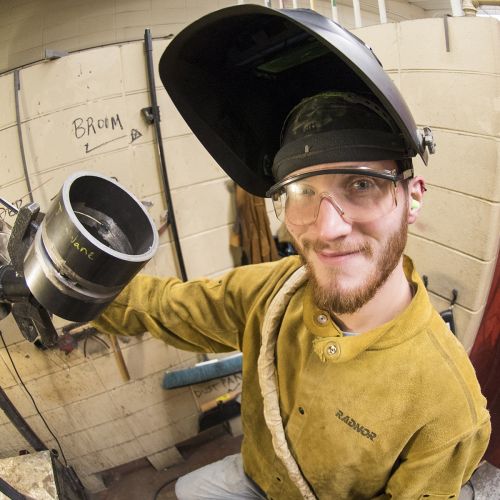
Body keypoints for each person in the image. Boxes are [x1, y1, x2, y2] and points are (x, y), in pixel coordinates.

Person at [93, 5, 490, 499]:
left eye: (361, 184)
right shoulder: (271, 290)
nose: (327, 229)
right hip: (254, 474)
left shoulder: (446, 407)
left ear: (412, 198)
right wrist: (76, 281)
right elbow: (164, 306)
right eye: (302, 193)